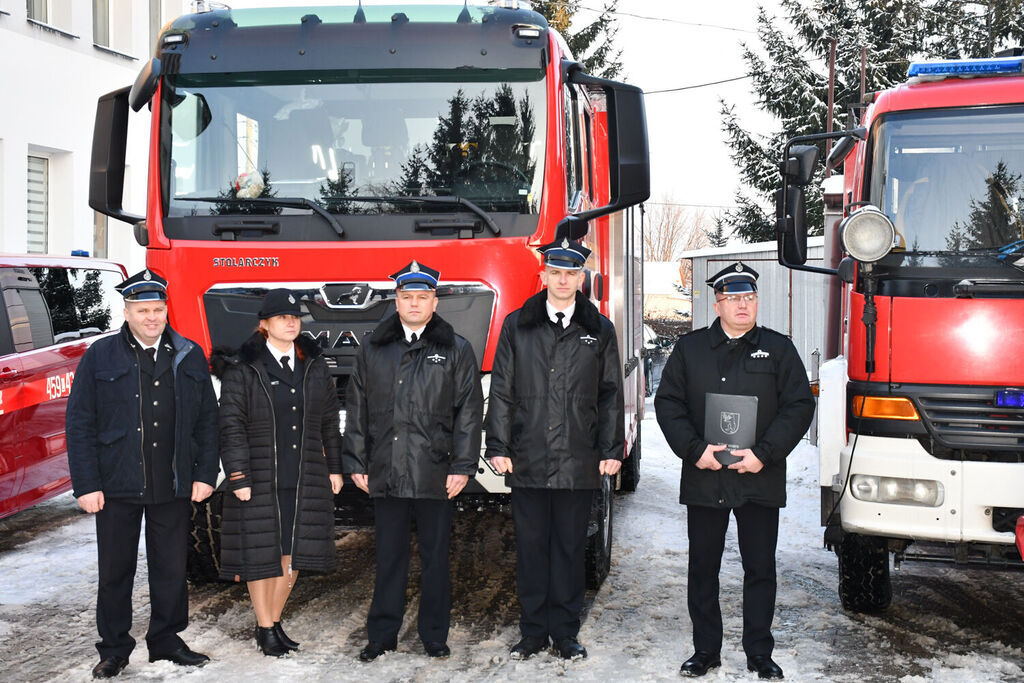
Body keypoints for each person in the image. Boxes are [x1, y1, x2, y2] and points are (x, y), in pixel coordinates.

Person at [654, 263, 815, 680]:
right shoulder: (691, 350)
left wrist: (765, 453)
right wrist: (695, 451)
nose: (743, 305)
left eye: (750, 297)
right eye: (734, 298)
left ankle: (759, 651)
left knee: (760, 567)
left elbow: (799, 406)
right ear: (718, 302)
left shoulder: (779, 350)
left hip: (758, 477)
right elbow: (668, 404)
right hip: (706, 476)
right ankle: (705, 649)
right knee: (702, 567)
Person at [66, 269, 219, 679]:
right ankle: (114, 648)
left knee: (170, 567)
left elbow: (208, 420)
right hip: (116, 484)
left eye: (157, 309)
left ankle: (166, 640)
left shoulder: (187, 354)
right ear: (127, 311)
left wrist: (205, 473)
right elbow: (80, 423)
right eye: (142, 310)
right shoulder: (100, 356)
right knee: (115, 571)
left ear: (166, 310)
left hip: (171, 482)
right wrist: (86, 484)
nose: (152, 317)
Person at [485, 237, 624, 661]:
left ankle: (564, 632)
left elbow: (610, 394)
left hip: (578, 459)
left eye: (572, 274)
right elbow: (503, 390)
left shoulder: (599, 329)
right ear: (543, 276)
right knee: (531, 548)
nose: (563, 281)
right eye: (556, 273)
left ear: (581, 278)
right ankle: (532, 632)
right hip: (528, 456)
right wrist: (498, 444)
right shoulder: (516, 325)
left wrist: (611, 448)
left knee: (568, 549)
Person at [343, 260, 482, 661]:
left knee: (436, 558)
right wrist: (356, 460)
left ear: (434, 302)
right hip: (385, 469)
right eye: (408, 297)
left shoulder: (455, 349)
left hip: (435, 472)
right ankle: (381, 635)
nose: (415, 304)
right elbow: (357, 408)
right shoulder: (373, 347)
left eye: (423, 297)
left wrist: (462, 466)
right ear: (397, 301)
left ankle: (434, 635)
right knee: (389, 557)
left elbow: (468, 412)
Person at [214, 289, 344, 656]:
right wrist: (237, 476)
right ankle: (266, 625)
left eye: (295, 317)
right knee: (263, 553)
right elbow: (232, 425)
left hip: (304, 473)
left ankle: (271, 623)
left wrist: (335, 467)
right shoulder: (243, 368)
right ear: (264, 325)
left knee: (294, 551)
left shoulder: (314, 365)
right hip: (259, 475)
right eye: (282, 318)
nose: (291, 322)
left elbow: (329, 422)